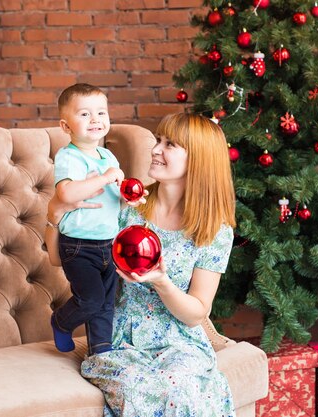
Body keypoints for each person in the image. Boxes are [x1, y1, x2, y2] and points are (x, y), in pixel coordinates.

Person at [46, 113, 237, 416]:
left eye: (169, 144)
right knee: (138, 386)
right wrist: (55, 212)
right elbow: (59, 258)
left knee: (182, 385)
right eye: (157, 140)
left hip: (180, 343)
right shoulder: (126, 208)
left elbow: (197, 312)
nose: (155, 150)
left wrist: (162, 282)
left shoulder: (214, 231)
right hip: (117, 339)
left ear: (198, 161)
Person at [48, 83, 125, 355]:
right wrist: (105, 177)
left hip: (109, 244)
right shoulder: (69, 157)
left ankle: (101, 351)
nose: (95, 120)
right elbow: (66, 193)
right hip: (79, 246)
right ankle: (60, 321)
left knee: (106, 303)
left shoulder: (108, 156)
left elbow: (113, 198)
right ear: (66, 126)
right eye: (84, 114)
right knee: (91, 300)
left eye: (101, 113)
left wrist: (128, 196)